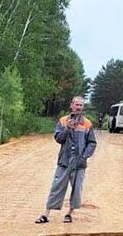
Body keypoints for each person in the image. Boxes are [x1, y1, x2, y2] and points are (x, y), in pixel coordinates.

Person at [36, 96, 96, 225]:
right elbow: (58, 138)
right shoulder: (63, 121)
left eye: (81, 105)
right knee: (56, 187)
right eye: (76, 104)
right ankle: (46, 215)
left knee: (76, 190)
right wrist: (67, 129)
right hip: (64, 161)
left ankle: (69, 214)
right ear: (71, 105)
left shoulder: (87, 123)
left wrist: (84, 156)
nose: (78, 107)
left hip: (79, 164)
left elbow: (92, 143)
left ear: (83, 107)